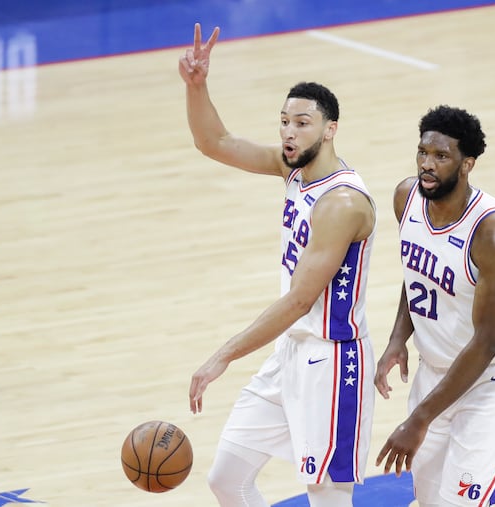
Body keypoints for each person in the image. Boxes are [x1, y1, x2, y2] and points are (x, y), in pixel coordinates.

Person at [178, 23, 377, 507]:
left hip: (333, 362)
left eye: (302, 122)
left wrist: (223, 354)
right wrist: (197, 86)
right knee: (227, 478)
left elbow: (300, 300)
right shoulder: (293, 169)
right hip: (291, 353)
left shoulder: (343, 203)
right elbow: (215, 142)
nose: (289, 131)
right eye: (284, 120)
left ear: (330, 130)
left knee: (327, 498)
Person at [374, 105, 495, 506]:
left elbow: (487, 342)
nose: (427, 165)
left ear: (468, 164)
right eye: (423, 153)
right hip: (435, 373)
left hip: (492, 382)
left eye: (441, 157)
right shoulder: (405, 198)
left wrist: (418, 420)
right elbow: (415, 273)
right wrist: (399, 337)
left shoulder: (494, 231)